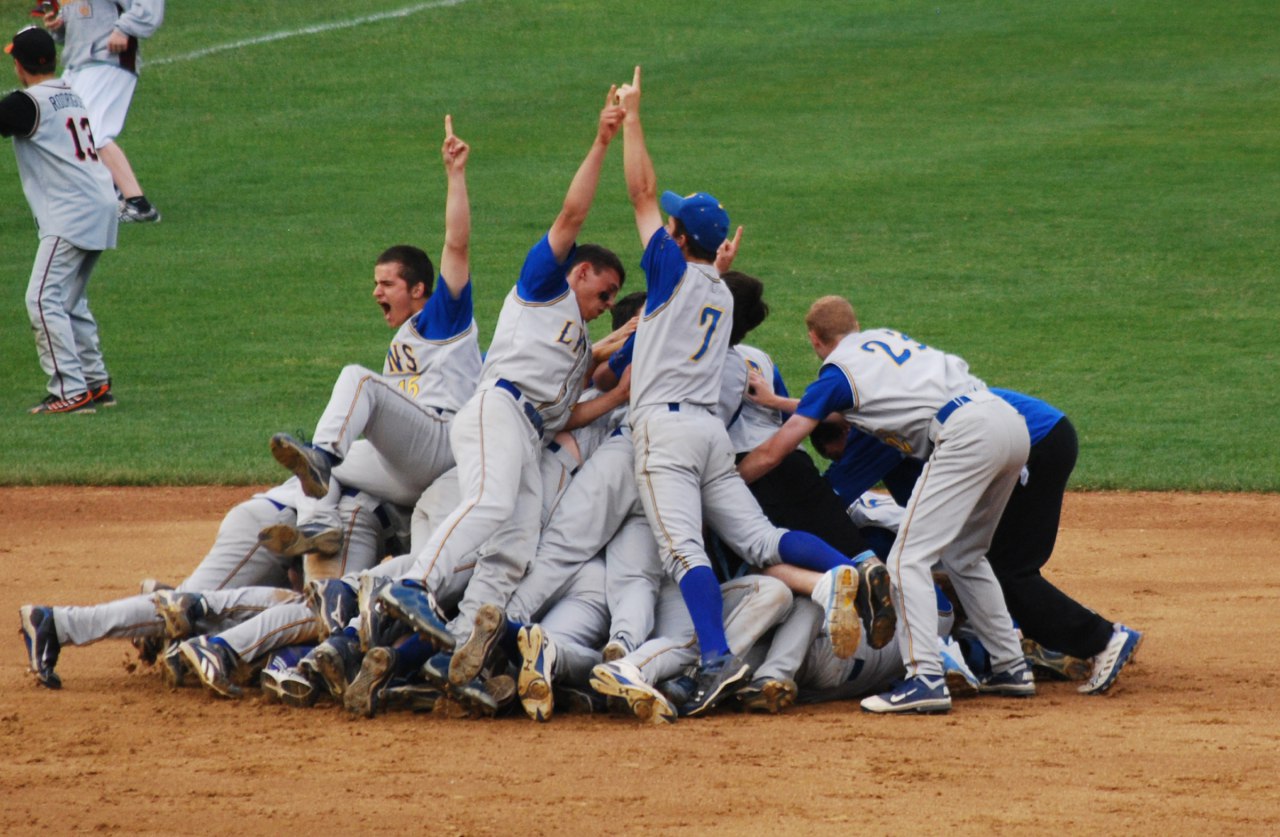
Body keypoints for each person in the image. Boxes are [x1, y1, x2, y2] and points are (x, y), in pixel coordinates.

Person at [614, 66, 892, 717]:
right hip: (710, 435)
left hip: (665, 434)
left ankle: (716, 658)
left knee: (683, 550)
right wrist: (714, 258)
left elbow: (641, 192)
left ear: (680, 240)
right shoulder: (719, 289)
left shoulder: (671, 275)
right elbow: (690, 243)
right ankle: (849, 569)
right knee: (763, 538)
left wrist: (632, 116)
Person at [388, 87, 629, 701]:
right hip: (496, 409)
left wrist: (616, 389)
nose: (606, 305)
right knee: (490, 502)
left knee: (515, 547)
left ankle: (458, 652)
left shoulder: (577, 342)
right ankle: (414, 582)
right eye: (603, 292)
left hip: (528, 433)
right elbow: (571, 215)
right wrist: (602, 141)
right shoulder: (545, 286)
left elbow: (565, 416)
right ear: (580, 272)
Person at [739, 296, 1034, 714]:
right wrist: (776, 402)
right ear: (854, 325)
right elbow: (840, 415)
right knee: (965, 555)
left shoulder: (837, 372)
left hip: (965, 435)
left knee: (905, 560)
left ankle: (925, 678)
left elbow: (775, 451)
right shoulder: (883, 341)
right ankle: (1011, 666)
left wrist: (724, 486)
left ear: (815, 339)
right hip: (1007, 424)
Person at [2, 26, 118, 414]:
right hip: (101, 204)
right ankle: (96, 382)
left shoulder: (27, 103)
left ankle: (69, 389)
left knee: (41, 299)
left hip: (72, 212)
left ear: (20, 65)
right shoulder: (70, 93)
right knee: (69, 300)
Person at [44, 0, 164, 222]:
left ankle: (138, 205)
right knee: (60, 131)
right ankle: (109, 196)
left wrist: (124, 29)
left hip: (108, 57)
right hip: (78, 62)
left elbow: (150, 6)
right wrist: (61, 24)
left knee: (91, 132)